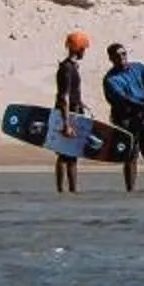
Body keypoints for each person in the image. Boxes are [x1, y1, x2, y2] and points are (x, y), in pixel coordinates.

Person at [102, 41, 144, 192]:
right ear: (111, 59)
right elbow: (123, 99)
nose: (121, 58)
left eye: (123, 54)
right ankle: (130, 192)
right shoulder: (110, 80)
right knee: (130, 157)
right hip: (126, 121)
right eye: (117, 56)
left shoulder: (139, 68)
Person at [50, 29, 91, 195]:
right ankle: (62, 190)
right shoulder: (67, 68)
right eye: (84, 49)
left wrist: (83, 105)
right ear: (79, 48)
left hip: (74, 111)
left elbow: (72, 93)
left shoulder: (71, 66)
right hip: (66, 114)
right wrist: (66, 123)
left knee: (72, 155)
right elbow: (64, 96)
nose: (85, 52)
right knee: (64, 154)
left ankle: (72, 191)